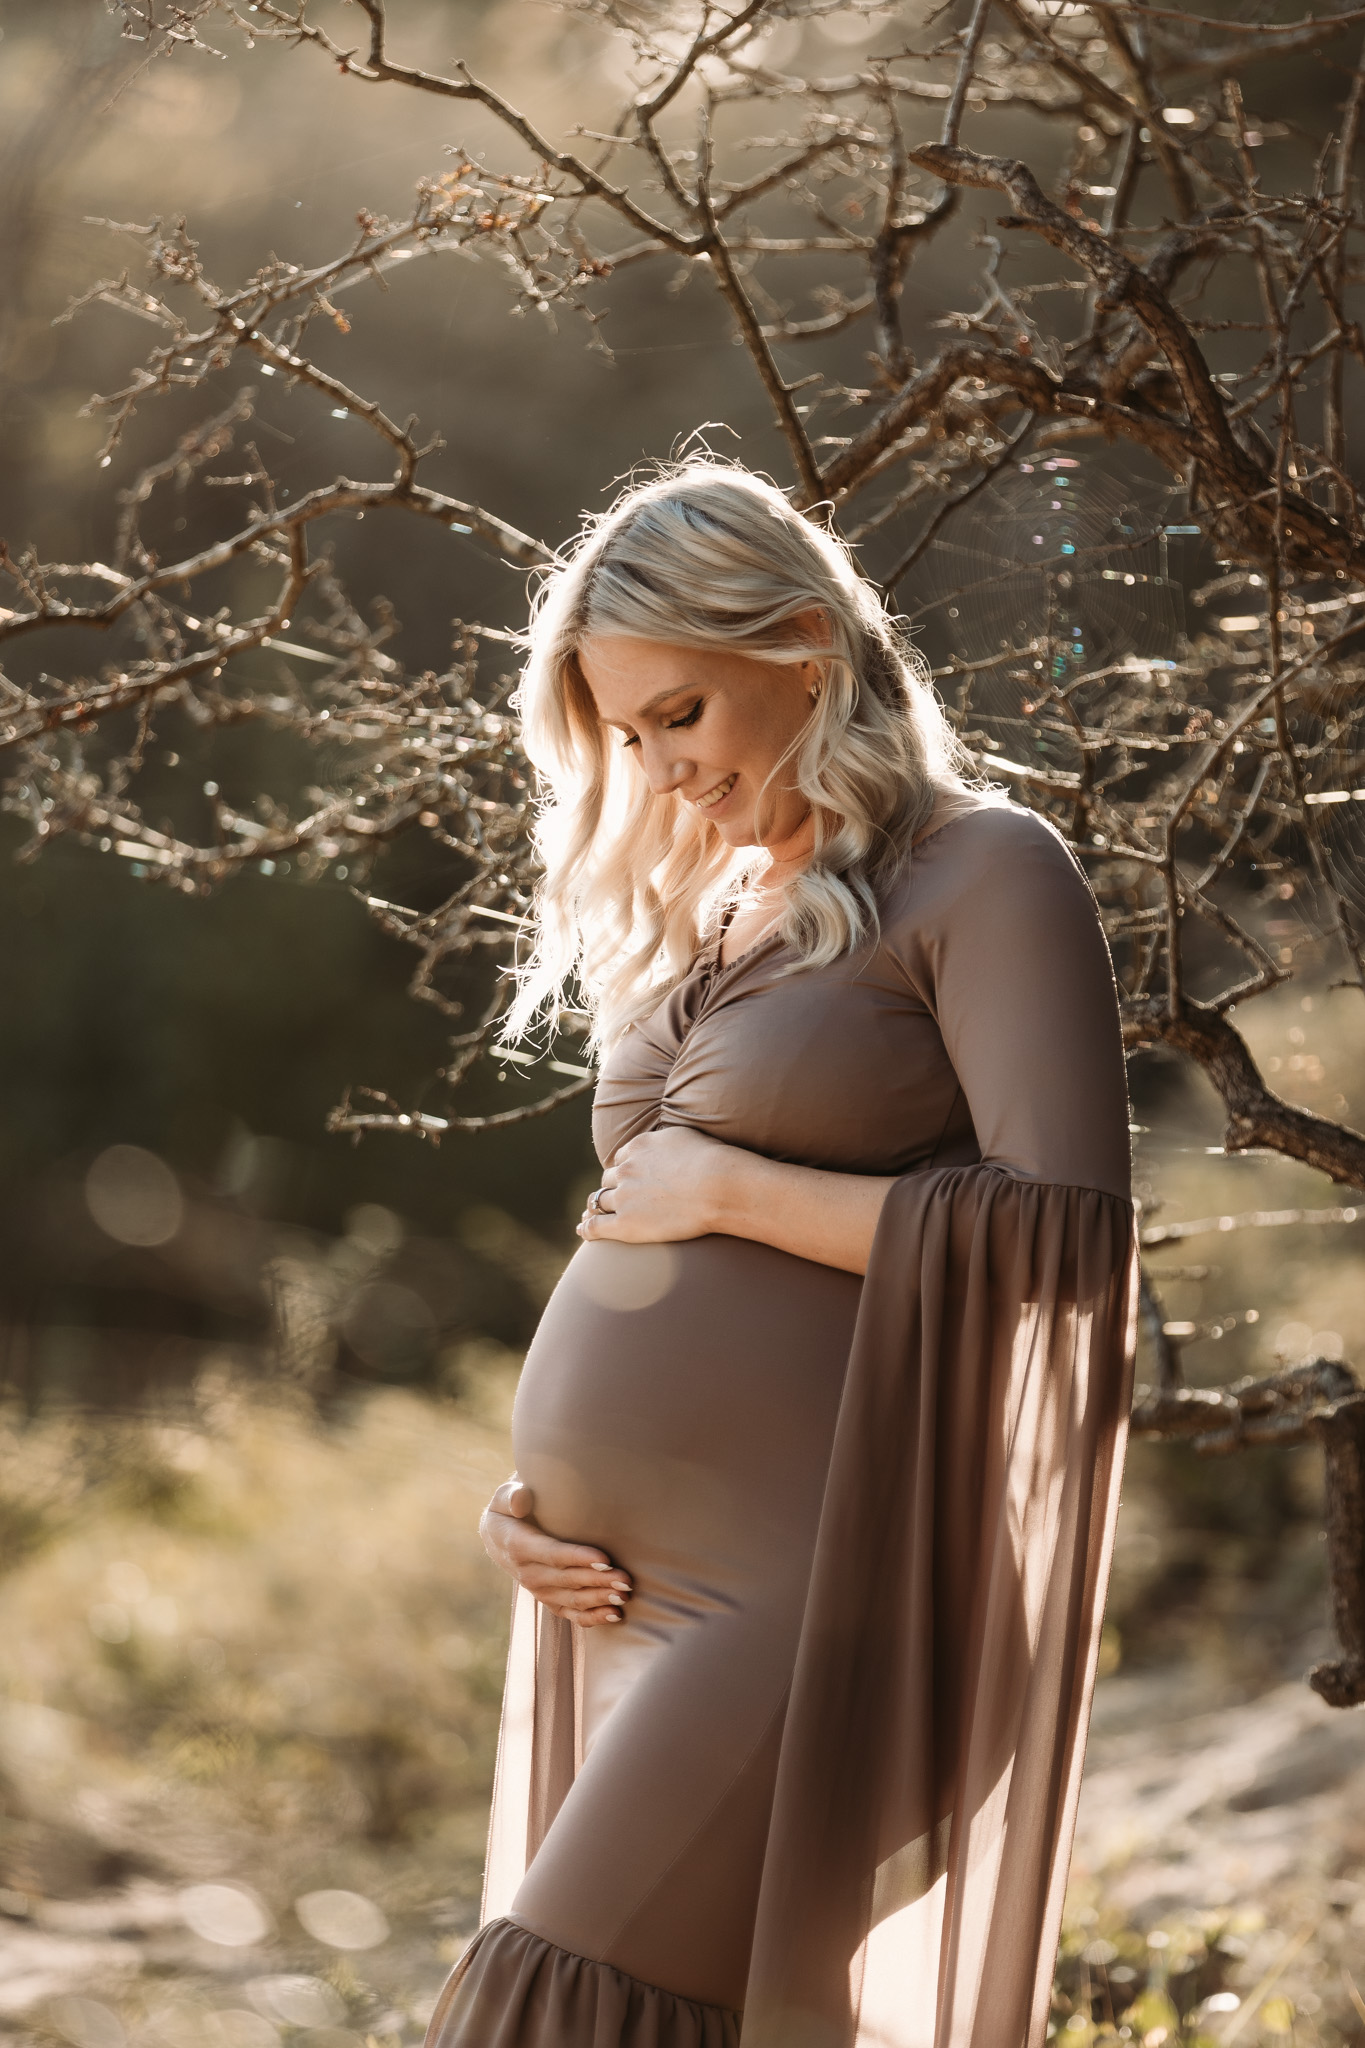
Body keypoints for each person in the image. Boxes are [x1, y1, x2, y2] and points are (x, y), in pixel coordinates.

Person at [424, 462, 1137, 2048]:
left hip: (835, 1596)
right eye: (623, 737)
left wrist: (735, 1192)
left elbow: (1065, 1240)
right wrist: (533, 1509)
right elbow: (655, 1264)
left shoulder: (983, 869)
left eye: (679, 714)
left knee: (547, 2013)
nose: (658, 771)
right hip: (647, 1604)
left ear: (804, 643)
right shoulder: (729, 904)